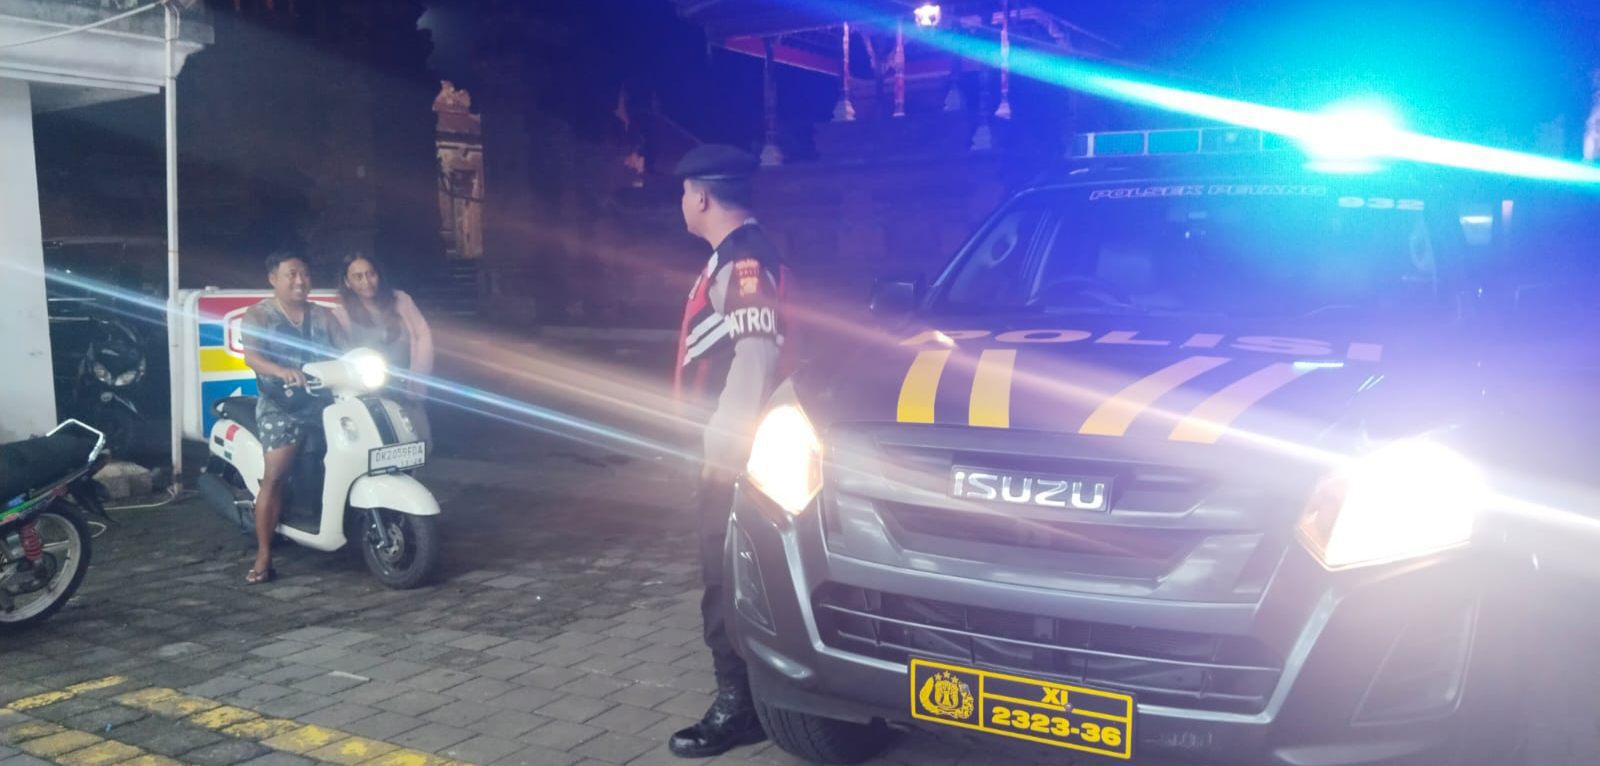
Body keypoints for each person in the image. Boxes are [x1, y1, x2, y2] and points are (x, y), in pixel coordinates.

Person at [667, 144, 792, 759]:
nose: (682, 201)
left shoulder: (742, 262)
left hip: (733, 452)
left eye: (684, 192)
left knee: (723, 577)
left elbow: (755, 356)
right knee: (733, 573)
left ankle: (737, 707)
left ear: (702, 196)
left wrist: (722, 446)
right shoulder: (736, 255)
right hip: (734, 444)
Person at [239, 251, 345, 584]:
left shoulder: (324, 316)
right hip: (281, 405)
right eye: (292, 274)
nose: (300, 281)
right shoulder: (259, 315)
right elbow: (252, 357)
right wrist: (281, 371)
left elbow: (346, 352)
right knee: (275, 476)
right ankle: (264, 554)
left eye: (305, 274)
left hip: (325, 402)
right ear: (273, 278)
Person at [331, 254, 435, 447]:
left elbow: (423, 336)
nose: (366, 282)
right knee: (381, 446)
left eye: (371, 274)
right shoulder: (341, 313)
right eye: (358, 277)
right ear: (347, 282)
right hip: (370, 393)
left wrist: (418, 378)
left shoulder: (401, 300)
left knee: (419, 444)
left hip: (406, 388)